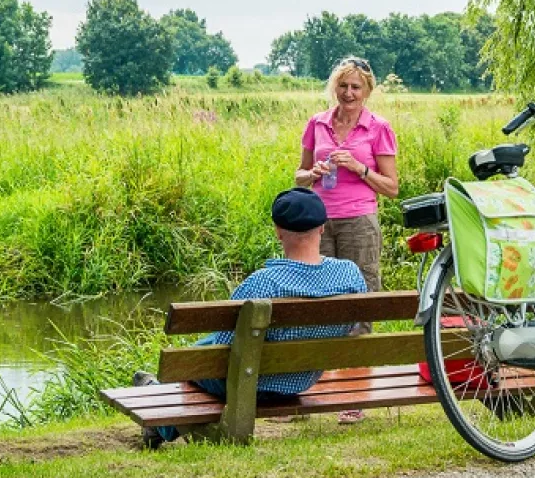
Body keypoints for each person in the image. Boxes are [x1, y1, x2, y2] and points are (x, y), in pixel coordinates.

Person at [134, 187, 366, 448]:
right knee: (200, 354)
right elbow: (352, 326)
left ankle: (158, 414)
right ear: (322, 228)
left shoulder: (262, 284)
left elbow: (224, 347)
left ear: (278, 232)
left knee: (195, 361)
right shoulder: (349, 274)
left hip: (252, 383)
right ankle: (159, 417)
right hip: (304, 380)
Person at [295, 56, 398, 423]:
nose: (349, 93)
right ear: (334, 87)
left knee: (359, 303)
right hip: (319, 222)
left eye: (356, 87)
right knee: (315, 303)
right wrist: (313, 172)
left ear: (367, 90)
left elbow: (392, 187)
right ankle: (303, 391)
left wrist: (359, 167)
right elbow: (298, 176)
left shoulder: (378, 127)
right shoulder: (317, 123)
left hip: (359, 223)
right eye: (343, 85)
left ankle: (354, 395)